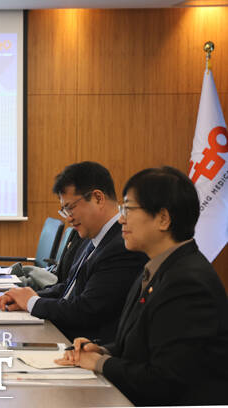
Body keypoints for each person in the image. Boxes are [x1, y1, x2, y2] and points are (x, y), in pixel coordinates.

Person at [55, 166, 228, 406]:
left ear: (163, 219)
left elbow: (164, 380)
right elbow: (143, 345)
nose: (121, 218)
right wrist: (102, 350)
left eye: (128, 209)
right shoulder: (157, 268)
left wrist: (100, 363)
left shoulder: (187, 283)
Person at [0, 161, 148, 343]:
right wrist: (24, 296)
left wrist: (32, 302)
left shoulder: (123, 247)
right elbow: (69, 288)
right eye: (64, 210)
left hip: (84, 345)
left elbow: (88, 309)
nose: (68, 218)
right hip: (62, 334)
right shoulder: (89, 237)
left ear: (98, 198)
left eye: (70, 208)